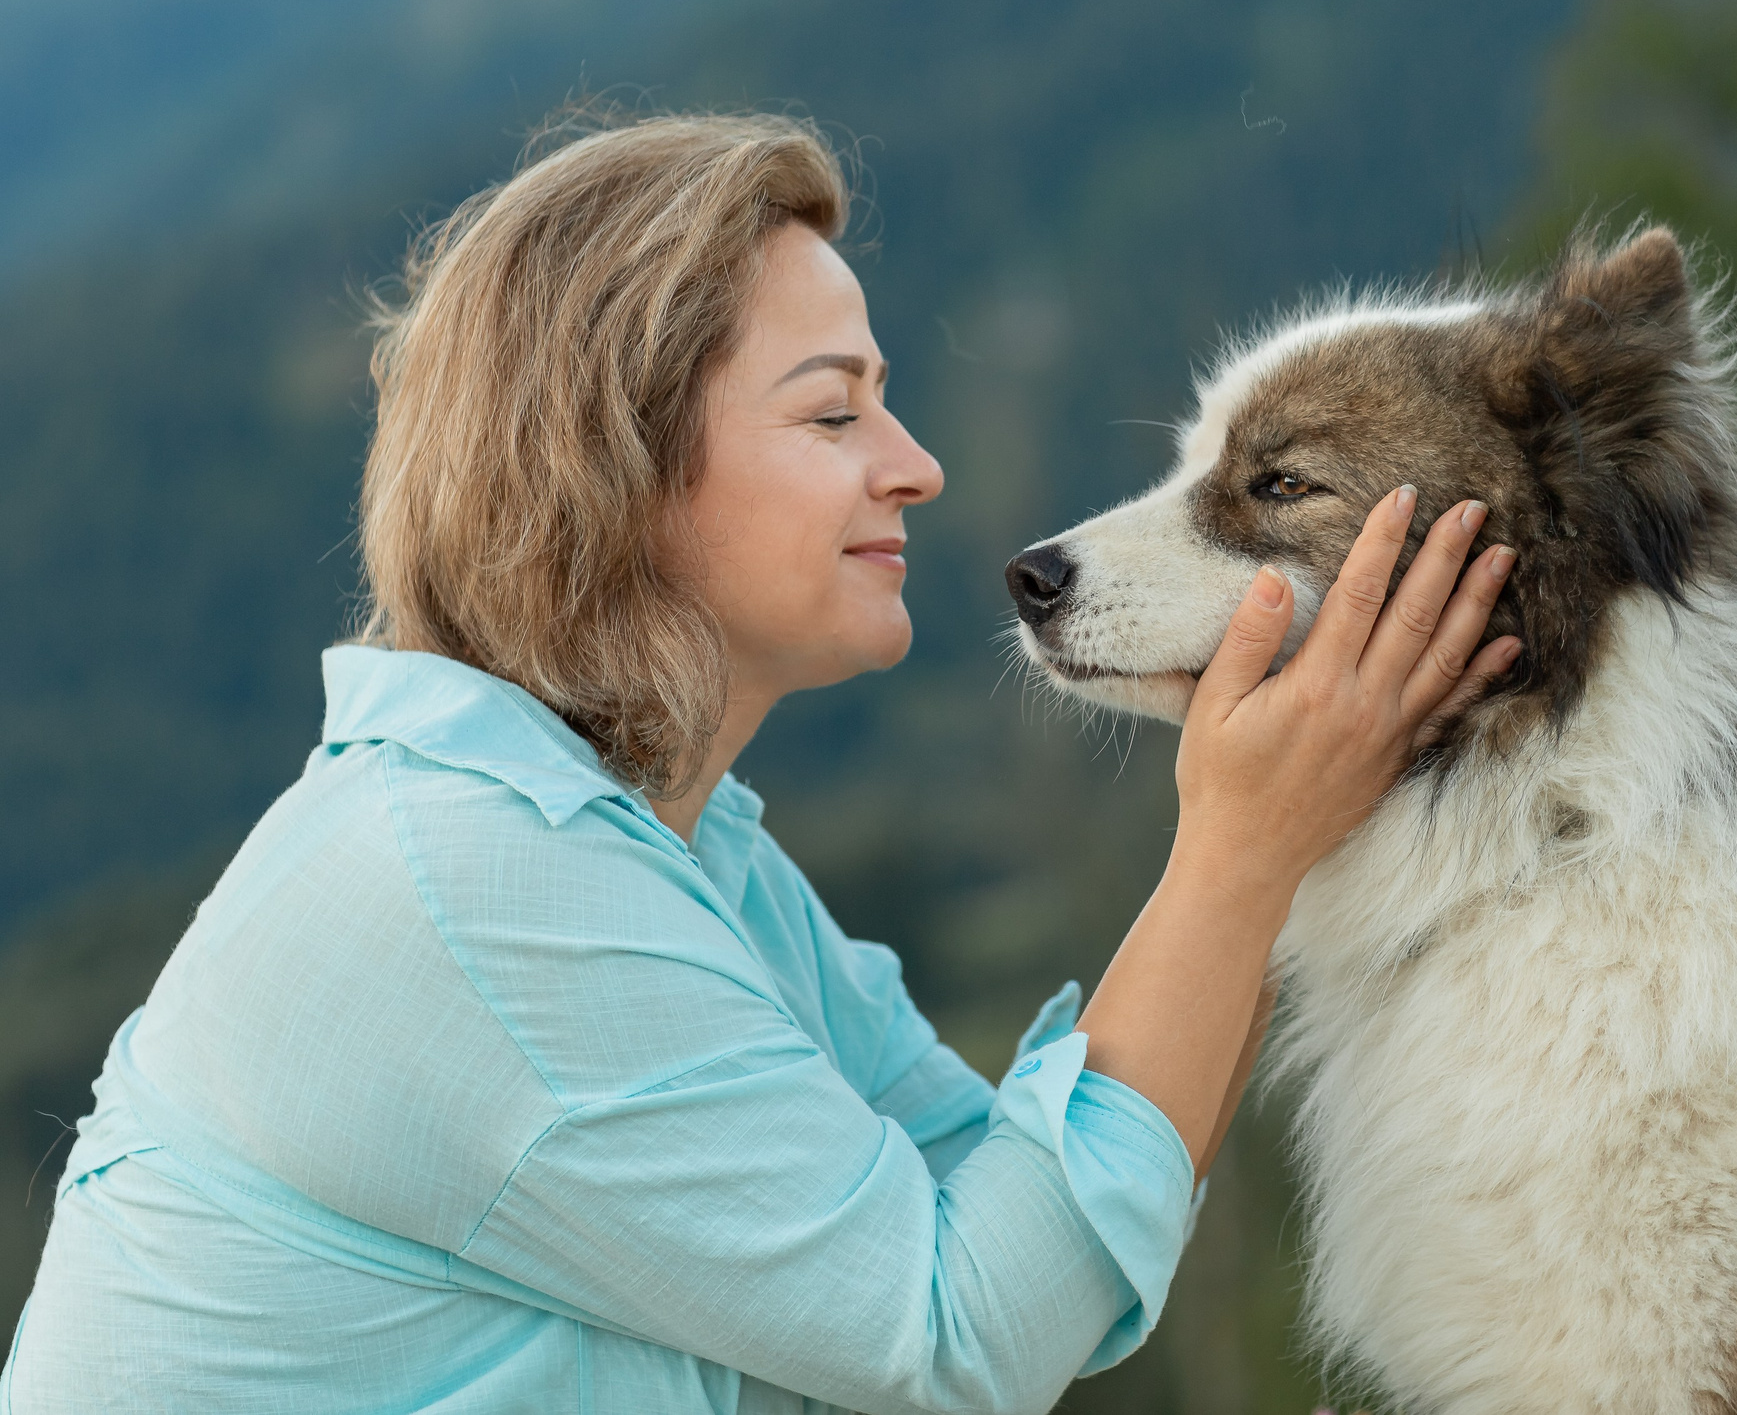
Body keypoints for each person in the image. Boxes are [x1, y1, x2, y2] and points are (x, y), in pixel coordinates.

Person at [1, 114, 1520, 1414]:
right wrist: (1244, 852)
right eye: (834, 411)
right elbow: (965, 1337)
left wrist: (1286, 806)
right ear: (618, 471)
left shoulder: (668, 851)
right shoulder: (480, 890)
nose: (912, 464)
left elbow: (1013, 1213)